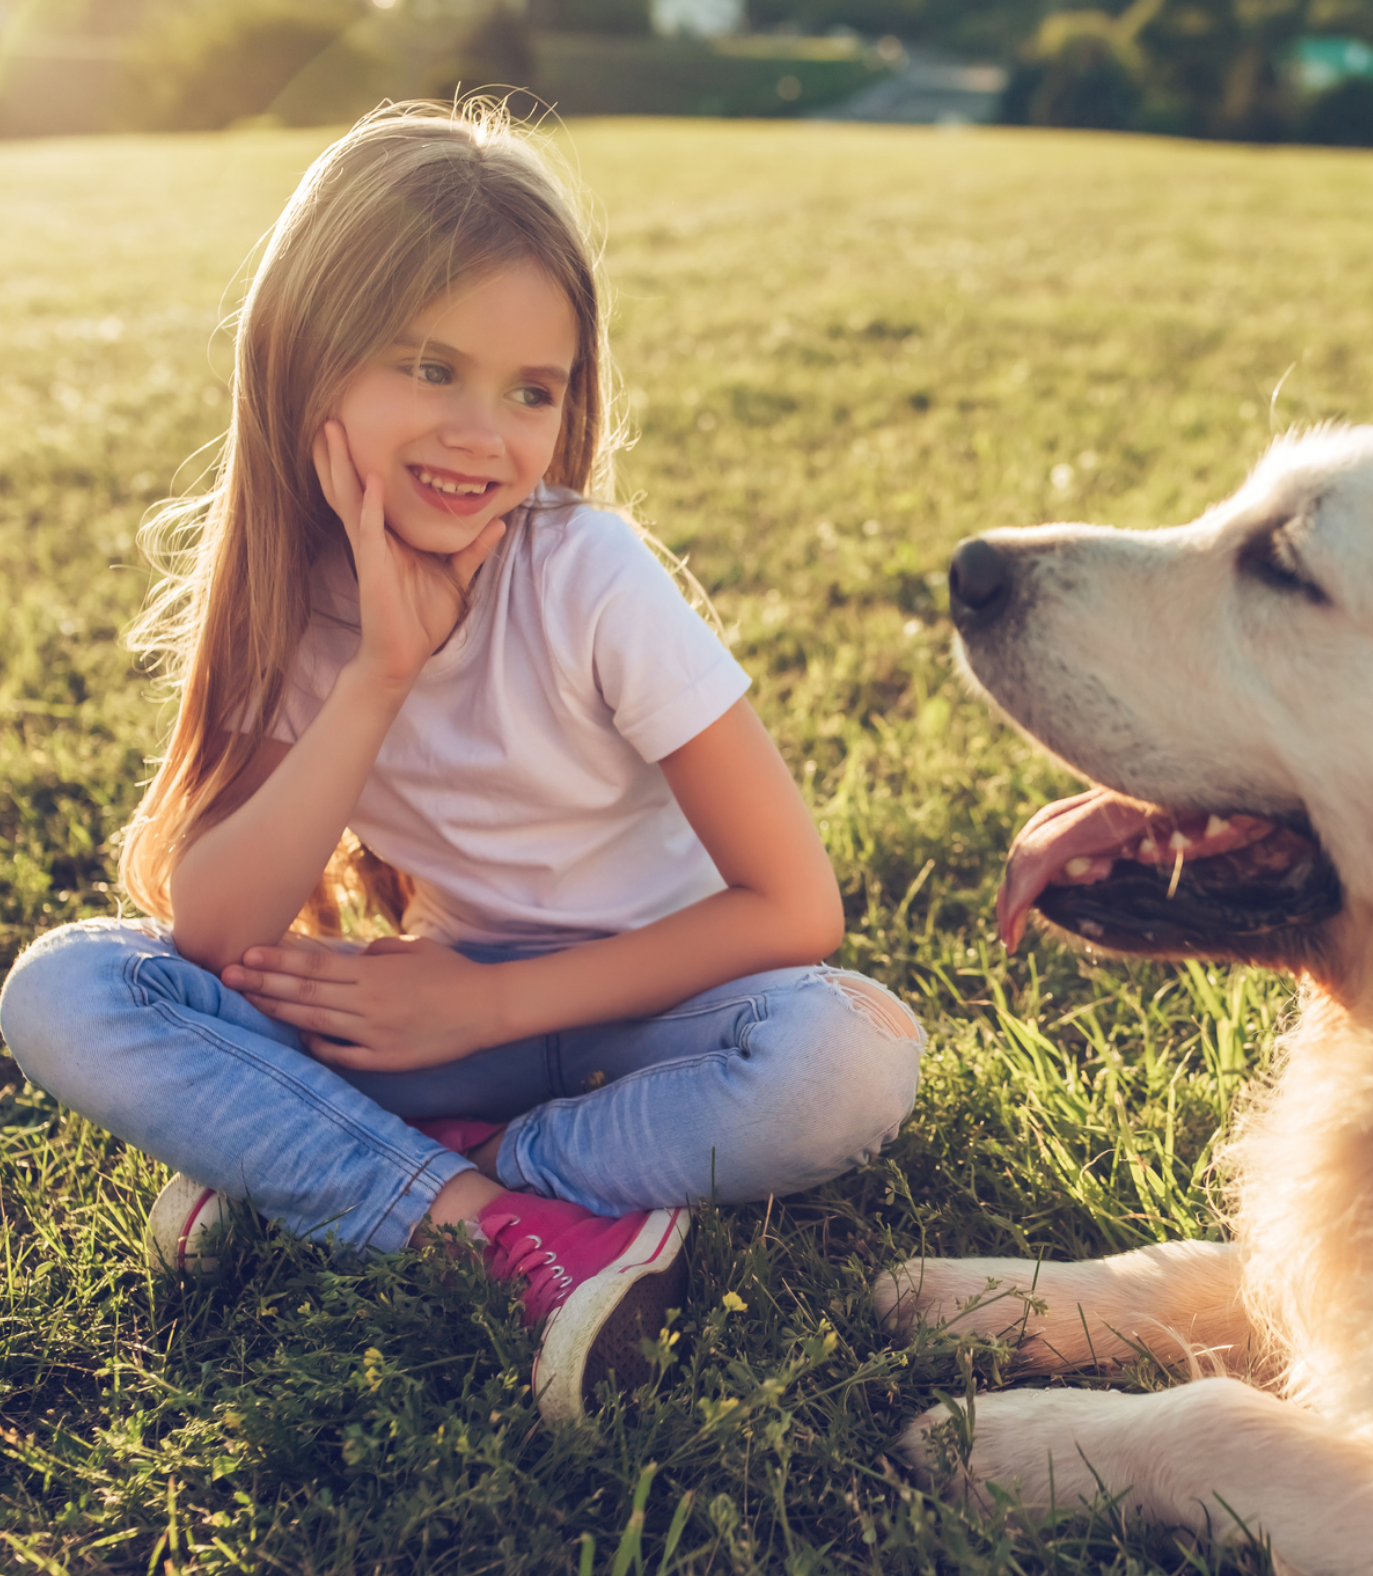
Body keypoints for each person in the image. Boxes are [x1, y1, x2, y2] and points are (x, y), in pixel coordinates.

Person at [0, 102, 925, 1423]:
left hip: (647, 1027)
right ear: (307, 365)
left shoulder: (588, 575)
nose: (483, 434)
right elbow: (211, 927)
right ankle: (497, 1223)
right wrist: (379, 672)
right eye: (428, 369)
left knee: (852, 1057)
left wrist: (491, 1010)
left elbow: (793, 908)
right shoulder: (301, 596)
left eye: (530, 392)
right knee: (69, 989)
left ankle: (376, 1168)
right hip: (441, 1017)